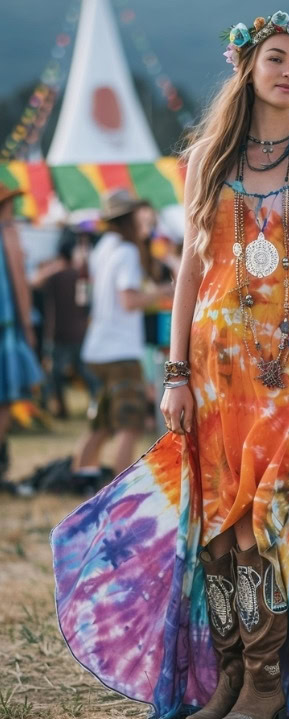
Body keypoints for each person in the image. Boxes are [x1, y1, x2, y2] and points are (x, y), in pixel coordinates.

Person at [52, 12, 289, 719]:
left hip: (287, 375)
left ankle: (269, 684)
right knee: (216, 531)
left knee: (261, 526)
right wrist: (176, 372)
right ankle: (231, 678)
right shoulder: (208, 157)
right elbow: (191, 269)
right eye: (275, 58)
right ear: (247, 67)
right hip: (211, 372)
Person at [71, 188, 173, 485]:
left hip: (97, 347)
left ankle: (81, 475)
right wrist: (164, 293)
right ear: (128, 219)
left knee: (102, 423)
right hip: (119, 350)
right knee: (130, 424)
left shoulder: (103, 246)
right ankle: (119, 487)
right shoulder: (127, 251)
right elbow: (129, 301)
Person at [0, 183, 42, 490]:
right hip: (7, 330)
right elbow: (19, 283)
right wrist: (28, 328)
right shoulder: (9, 233)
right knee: (5, 403)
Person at [33, 228, 99, 419]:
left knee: (59, 377)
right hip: (69, 334)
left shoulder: (71, 274)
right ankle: (59, 409)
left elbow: (35, 282)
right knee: (69, 376)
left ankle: (56, 409)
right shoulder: (74, 274)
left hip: (65, 335)